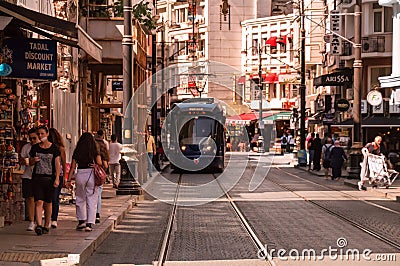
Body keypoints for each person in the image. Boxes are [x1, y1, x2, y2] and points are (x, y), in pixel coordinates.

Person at [29, 125, 61, 235]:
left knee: (48, 202)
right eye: (39, 134)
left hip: (49, 178)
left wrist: (57, 178)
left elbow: (57, 164)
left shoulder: (54, 149)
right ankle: (38, 224)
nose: (40, 136)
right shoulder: (35, 148)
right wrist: (33, 160)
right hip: (37, 177)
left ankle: (46, 224)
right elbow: (30, 163)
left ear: (47, 134)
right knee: (38, 201)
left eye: (42, 133)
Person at [67, 132, 102, 231]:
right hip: (91, 174)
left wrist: (69, 180)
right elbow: (99, 162)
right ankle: (89, 224)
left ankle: (81, 220)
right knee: (92, 199)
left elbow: (73, 167)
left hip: (80, 174)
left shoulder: (78, 151)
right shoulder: (94, 150)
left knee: (80, 198)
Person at [20, 128, 40, 231]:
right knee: (30, 198)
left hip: (40, 176)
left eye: (34, 138)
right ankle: (32, 221)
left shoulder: (42, 147)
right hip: (28, 176)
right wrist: (25, 161)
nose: (32, 140)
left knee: (39, 200)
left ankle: (39, 220)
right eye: (30, 138)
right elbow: (21, 160)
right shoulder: (26, 148)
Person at [48, 128, 67, 229]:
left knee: (53, 197)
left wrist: (64, 177)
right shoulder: (60, 148)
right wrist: (64, 177)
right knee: (53, 198)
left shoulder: (59, 149)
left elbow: (63, 164)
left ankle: (53, 218)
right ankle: (52, 218)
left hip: (55, 175)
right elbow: (64, 164)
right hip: (54, 175)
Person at [94, 132, 109, 224]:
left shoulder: (92, 148)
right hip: (99, 174)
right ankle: (97, 214)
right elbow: (105, 165)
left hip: (89, 172)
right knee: (98, 193)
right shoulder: (103, 147)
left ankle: (89, 214)